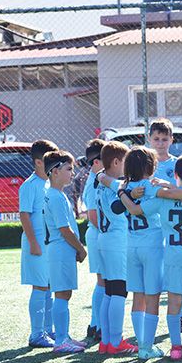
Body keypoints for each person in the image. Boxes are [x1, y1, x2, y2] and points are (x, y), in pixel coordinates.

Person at [96, 146, 182, 359]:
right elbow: (177, 195)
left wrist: (114, 186)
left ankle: (146, 345)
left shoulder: (123, 185)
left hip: (132, 245)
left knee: (138, 297)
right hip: (155, 247)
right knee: (155, 298)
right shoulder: (153, 187)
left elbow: (107, 182)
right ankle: (150, 347)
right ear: (151, 167)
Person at [148, 118, 182, 333]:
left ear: (171, 140)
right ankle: (151, 319)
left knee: (177, 272)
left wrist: (168, 188)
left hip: (175, 226)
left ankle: (180, 317)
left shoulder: (177, 164)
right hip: (152, 227)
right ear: (149, 139)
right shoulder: (146, 164)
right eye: (156, 139)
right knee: (154, 275)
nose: (160, 143)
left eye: (164, 139)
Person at [95, 141, 139, 355]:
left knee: (110, 291)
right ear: (115, 162)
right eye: (124, 162)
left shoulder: (102, 181)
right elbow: (116, 205)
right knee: (119, 291)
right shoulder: (115, 185)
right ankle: (115, 341)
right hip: (116, 240)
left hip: (104, 239)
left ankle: (106, 341)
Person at [43, 150, 88, 353]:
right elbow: (64, 229)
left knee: (64, 294)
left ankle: (64, 336)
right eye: (69, 169)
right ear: (55, 171)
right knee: (62, 294)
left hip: (62, 250)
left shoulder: (56, 194)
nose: (72, 173)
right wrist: (80, 248)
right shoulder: (55, 197)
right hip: (61, 249)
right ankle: (61, 340)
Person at [19, 139, 59, 348]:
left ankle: (48, 330)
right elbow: (24, 215)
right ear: (38, 162)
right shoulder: (29, 185)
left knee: (49, 286)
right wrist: (33, 242)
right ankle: (36, 334)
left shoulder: (50, 183)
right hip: (36, 244)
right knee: (40, 286)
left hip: (49, 244)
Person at [81, 139, 107, 342]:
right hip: (98, 235)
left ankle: (96, 324)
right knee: (103, 281)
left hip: (101, 234)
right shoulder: (93, 183)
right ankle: (97, 325)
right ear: (96, 162)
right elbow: (93, 216)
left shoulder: (100, 179)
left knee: (105, 281)